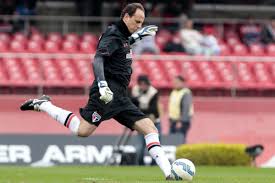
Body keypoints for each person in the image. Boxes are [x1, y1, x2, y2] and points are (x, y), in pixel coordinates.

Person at [20, 3, 173, 180]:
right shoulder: (112, 33)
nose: (139, 25)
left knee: (150, 128)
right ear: (126, 17)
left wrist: (136, 37)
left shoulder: (122, 36)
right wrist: (102, 85)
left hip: (121, 96)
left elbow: (120, 45)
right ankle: (45, 105)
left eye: (142, 23)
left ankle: (169, 173)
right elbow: (98, 59)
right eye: (137, 22)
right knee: (82, 131)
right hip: (106, 93)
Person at [131, 75, 161, 165]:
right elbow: (131, 104)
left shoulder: (153, 92)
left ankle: (154, 164)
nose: (143, 86)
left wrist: (140, 109)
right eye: (141, 84)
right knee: (140, 146)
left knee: (156, 145)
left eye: (145, 84)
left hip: (154, 122)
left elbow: (154, 110)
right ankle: (140, 164)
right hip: (141, 122)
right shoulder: (135, 90)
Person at [168, 76, 194, 143]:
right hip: (173, 120)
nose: (175, 84)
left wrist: (180, 121)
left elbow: (185, 108)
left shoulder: (186, 93)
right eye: (174, 82)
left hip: (181, 121)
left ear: (182, 83)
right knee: (172, 140)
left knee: (179, 140)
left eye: (177, 82)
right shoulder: (173, 92)